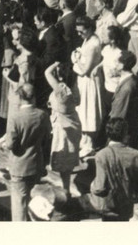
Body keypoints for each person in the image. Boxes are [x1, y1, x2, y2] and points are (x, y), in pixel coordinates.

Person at [0, 83, 51, 222]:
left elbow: (11, 144)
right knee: (34, 200)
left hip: (19, 165)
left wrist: (2, 145)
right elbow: (47, 138)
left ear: (20, 97)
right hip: (36, 162)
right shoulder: (42, 115)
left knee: (19, 202)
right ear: (34, 97)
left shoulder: (15, 117)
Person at [89, 118, 138, 221]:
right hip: (126, 206)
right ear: (125, 133)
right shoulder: (136, 155)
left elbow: (99, 188)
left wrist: (92, 186)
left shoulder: (102, 155)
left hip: (108, 206)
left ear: (107, 133)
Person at [44, 63, 82, 203]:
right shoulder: (73, 87)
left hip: (63, 128)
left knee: (63, 158)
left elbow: (47, 73)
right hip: (72, 122)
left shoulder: (62, 90)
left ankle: (66, 191)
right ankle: (66, 189)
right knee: (68, 158)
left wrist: (55, 63)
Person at [71, 15, 103, 157]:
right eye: (77, 31)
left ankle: (89, 143)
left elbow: (85, 70)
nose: (79, 34)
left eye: (81, 31)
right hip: (84, 82)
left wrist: (76, 60)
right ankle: (84, 140)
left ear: (89, 29)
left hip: (89, 81)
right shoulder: (87, 39)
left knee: (89, 110)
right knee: (83, 110)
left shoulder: (93, 44)